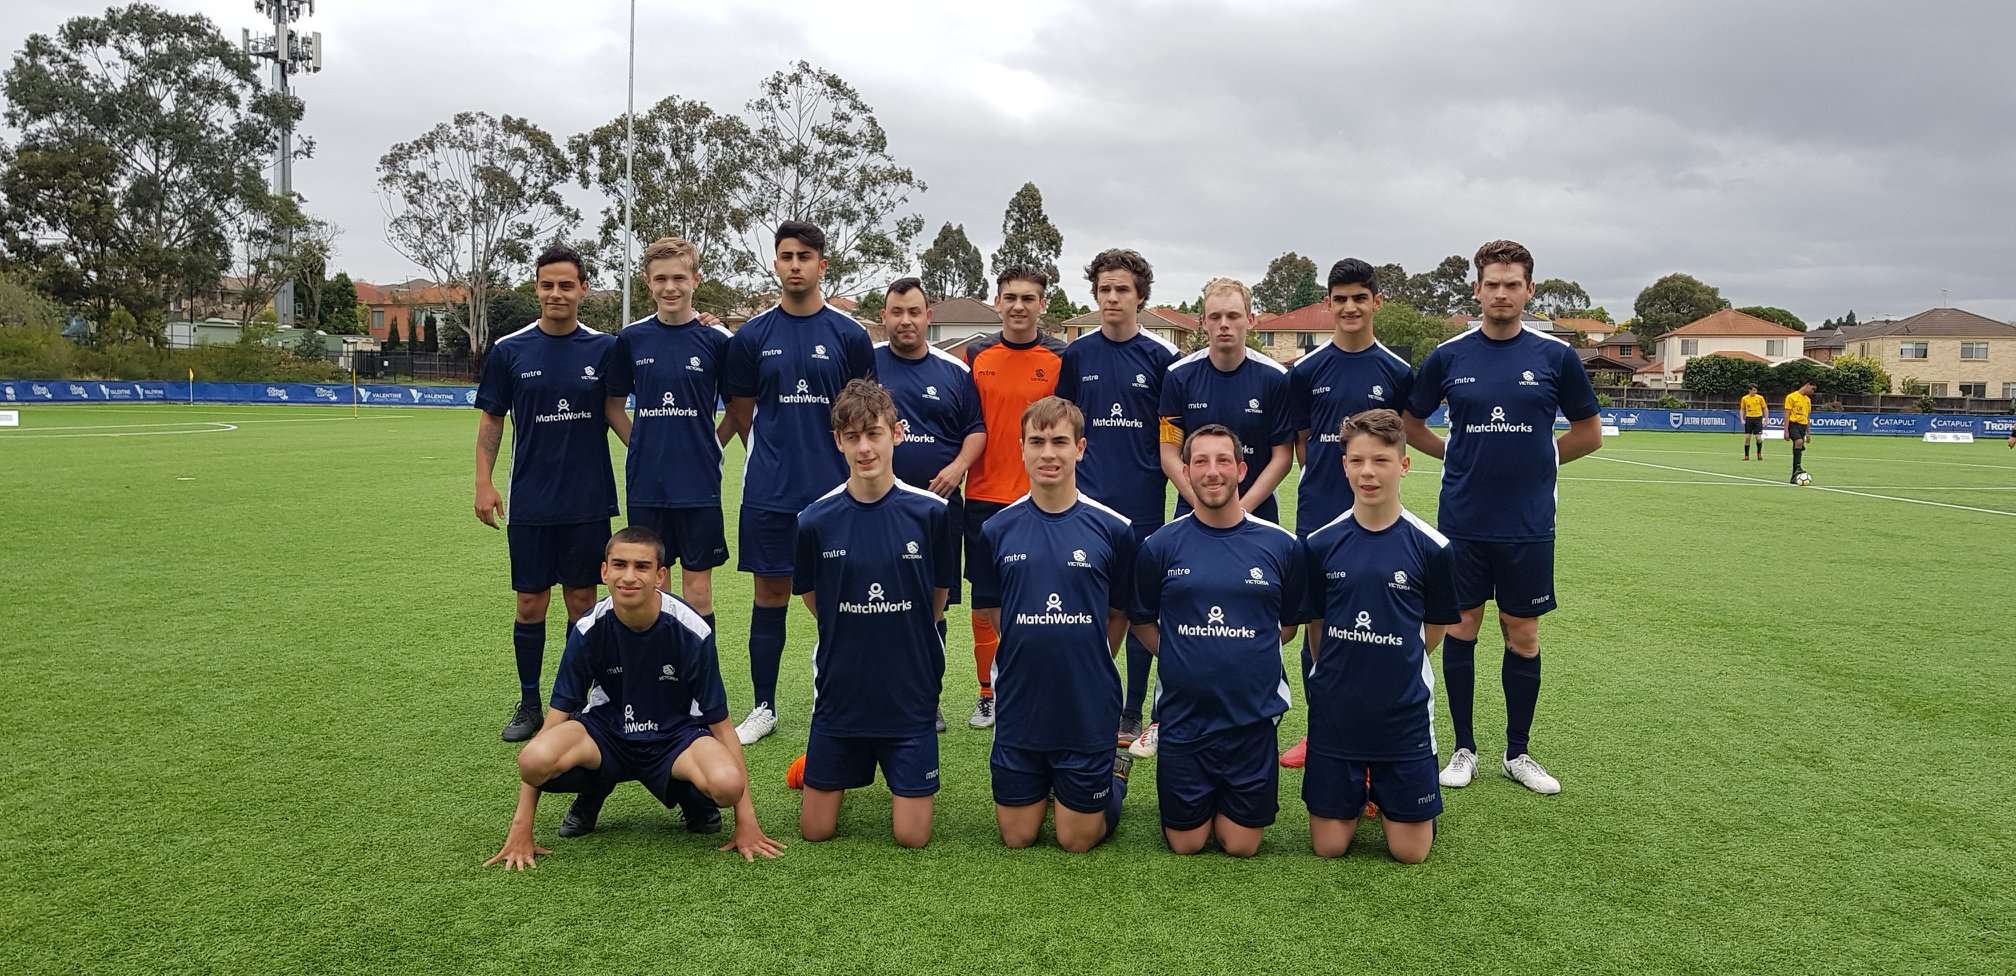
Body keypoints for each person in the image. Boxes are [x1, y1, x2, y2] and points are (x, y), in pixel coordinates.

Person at [1401, 240, 1602, 796]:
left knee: (1524, 632)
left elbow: (1589, 433)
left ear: (1529, 290)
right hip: (1463, 518)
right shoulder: (1449, 356)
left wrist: (1542, 460)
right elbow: (1411, 422)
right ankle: (1464, 748)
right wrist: (1452, 454)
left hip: (1529, 523)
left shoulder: (1555, 358)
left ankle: (1518, 752)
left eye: (1513, 284)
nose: (1502, 293)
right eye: (1492, 283)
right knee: (1462, 626)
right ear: (1477, 289)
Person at [483, 527, 785, 870]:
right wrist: (521, 829)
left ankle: (690, 797)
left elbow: (722, 726)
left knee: (727, 785)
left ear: (660, 575)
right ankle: (594, 791)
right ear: (604, 571)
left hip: (676, 739)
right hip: (606, 737)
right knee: (533, 759)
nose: (629, 576)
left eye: (641, 567)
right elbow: (556, 719)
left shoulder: (691, 630)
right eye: (620, 564)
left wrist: (747, 822)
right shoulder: (588, 629)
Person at [719, 221, 875, 746]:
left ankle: (844, 699)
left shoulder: (850, 336)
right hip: (770, 493)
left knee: (843, 600)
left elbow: (864, 414)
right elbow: (741, 412)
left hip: (838, 496)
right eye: (785, 255)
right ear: (776, 263)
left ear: (822, 265)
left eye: (804, 256)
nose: (794, 264)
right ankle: (763, 706)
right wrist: (772, 460)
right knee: (770, 597)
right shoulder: (752, 337)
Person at [790, 381, 960, 847]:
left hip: (908, 698)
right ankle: (818, 761)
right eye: (852, 437)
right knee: (815, 832)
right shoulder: (814, 520)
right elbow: (815, 601)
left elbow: (937, 598)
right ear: (838, 442)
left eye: (874, 434)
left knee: (911, 837)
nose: (864, 448)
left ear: (897, 435)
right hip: (842, 696)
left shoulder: (932, 514)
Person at [970, 396, 1138, 852]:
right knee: (1018, 837)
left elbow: (1119, 612)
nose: (1049, 453)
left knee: (1076, 841)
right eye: (1037, 442)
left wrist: (1089, 652)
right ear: (1021, 449)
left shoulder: (1114, 529)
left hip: (1086, 701)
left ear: (1080, 448)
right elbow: (993, 608)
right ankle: (1047, 783)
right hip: (1023, 700)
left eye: (1060, 442)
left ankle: (1114, 772)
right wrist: (1031, 645)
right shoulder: (996, 530)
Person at [1132, 425, 1302, 857]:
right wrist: (1179, 658)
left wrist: (1245, 652)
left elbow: (1287, 625)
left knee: (1241, 846)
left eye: (1223, 460)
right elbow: (1142, 620)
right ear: (1185, 472)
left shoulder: (1280, 546)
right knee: (1186, 845)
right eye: (1201, 462)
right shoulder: (1160, 546)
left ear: (1241, 469)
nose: (1213, 472)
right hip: (1185, 722)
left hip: (1250, 722)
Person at [473, 244, 621, 743]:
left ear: (582, 289)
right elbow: (492, 421)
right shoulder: (510, 350)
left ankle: (574, 699)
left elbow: (618, 412)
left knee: (582, 602)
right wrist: (483, 482)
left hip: (587, 500)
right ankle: (530, 701)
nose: (556, 293)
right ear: (537, 288)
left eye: (566, 284)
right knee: (530, 603)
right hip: (532, 502)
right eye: (547, 284)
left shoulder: (604, 349)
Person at [1300, 409, 1457, 863]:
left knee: (1410, 853)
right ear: (1344, 465)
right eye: (1357, 460)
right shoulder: (1319, 544)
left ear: (1403, 465)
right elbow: (1316, 625)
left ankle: (1393, 792)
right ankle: (1359, 790)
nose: (1368, 472)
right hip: (1337, 714)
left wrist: (1399, 658)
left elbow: (1437, 625)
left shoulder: (1433, 547)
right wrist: (1335, 672)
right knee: (1329, 848)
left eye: (1381, 460)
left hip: (1401, 715)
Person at [1278, 258, 1415, 769]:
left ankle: (1375, 737)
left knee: (1374, 628)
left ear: (1377, 301)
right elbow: (1300, 445)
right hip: (1319, 518)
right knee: (1318, 626)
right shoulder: (1307, 371)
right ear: (1329, 304)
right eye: (1341, 298)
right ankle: (1320, 735)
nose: (1351, 306)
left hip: (1380, 523)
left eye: (1361, 296)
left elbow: (1403, 439)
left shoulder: (1398, 372)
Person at [1056, 247, 1178, 750]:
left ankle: (1131, 711)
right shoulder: (1077, 356)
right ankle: (1086, 696)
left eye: (1121, 289)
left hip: (1143, 503)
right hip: (1086, 505)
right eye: (1104, 289)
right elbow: (1063, 424)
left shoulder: (1161, 359)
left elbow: (1171, 433)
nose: (1112, 297)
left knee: (1137, 607)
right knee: (1090, 605)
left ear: (1140, 296)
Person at [872, 277, 986, 734]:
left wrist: (958, 468)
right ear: (884, 317)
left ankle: (928, 700)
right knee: (880, 602)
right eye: (896, 312)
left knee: (934, 607)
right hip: (878, 509)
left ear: (928, 317)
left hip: (939, 511)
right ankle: (881, 696)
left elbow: (976, 430)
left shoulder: (953, 371)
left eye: (914, 312)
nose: (905, 321)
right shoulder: (865, 365)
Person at [603, 237, 734, 624]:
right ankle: (657, 679)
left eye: (679, 277)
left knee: (697, 590)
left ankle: (699, 680)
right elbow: (612, 406)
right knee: (650, 586)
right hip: (648, 483)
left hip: (699, 484)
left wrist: (712, 444)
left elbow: (740, 408)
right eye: (661, 279)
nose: (670, 287)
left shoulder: (717, 339)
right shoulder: (631, 339)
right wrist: (640, 443)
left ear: (696, 279)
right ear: (647, 282)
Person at [959, 269, 1068, 729]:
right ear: (997, 302)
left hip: (1040, 500)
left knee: (1040, 596)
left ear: (1043, 304)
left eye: (1029, 298)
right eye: (1011, 298)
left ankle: (1034, 683)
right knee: (985, 602)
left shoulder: (1063, 357)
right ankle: (989, 693)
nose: (1019, 306)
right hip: (983, 495)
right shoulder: (975, 354)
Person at [1159, 277, 1294, 524]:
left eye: (1233, 316)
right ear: (1203, 323)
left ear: (1250, 320)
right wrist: (1202, 505)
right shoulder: (1178, 376)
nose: (1224, 325)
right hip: (1192, 513)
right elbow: (1169, 454)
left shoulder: (1276, 378)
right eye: (1215, 317)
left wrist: (1240, 511)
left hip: (1256, 515)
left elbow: (1283, 457)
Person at [1785, 380, 1815, 483]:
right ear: (1807, 385)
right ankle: (1798, 467)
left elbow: (1808, 416)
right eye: (1812, 389)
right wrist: (1785, 431)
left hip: (1803, 426)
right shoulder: (1791, 397)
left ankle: (1795, 474)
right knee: (1799, 442)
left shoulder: (1807, 400)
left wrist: (1808, 433)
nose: (1813, 391)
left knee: (1799, 446)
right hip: (1793, 425)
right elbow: (1787, 414)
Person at [1739, 383, 1769, 461]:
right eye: (1753, 390)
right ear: (1749, 390)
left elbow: (1765, 408)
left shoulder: (1760, 398)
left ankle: (1759, 454)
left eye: (1756, 390)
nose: (1755, 392)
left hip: (1758, 419)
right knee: (1747, 438)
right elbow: (1742, 409)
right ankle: (1746, 456)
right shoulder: (1744, 398)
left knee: (1758, 438)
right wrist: (1742, 419)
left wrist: (1766, 419)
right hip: (1749, 419)